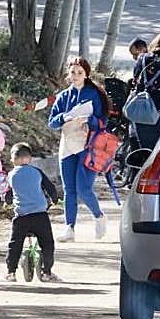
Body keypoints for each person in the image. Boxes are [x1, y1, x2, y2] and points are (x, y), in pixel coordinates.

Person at [47, 56, 112, 242]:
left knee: (84, 188)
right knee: (69, 189)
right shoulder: (63, 96)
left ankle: (99, 216)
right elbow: (51, 122)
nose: (75, 75)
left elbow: (102, 122)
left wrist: (89, 120)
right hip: (67, 145)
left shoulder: (93, 94)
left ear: (86, 74)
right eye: (73, 72)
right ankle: (69, 228)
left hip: (89, 146)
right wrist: (63, 118)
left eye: (80, 72)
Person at [4, 143, 61, 282]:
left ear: (14, 160)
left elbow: (8, 195)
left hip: (21, 217)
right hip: (40, 216)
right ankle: (47, 272)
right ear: (29, 159)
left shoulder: (11, 175)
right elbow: (50, 187)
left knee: (15, 244)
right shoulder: (37, 172)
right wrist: (54, 199)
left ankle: (11, 273)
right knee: (47, 243)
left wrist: (8, 202)